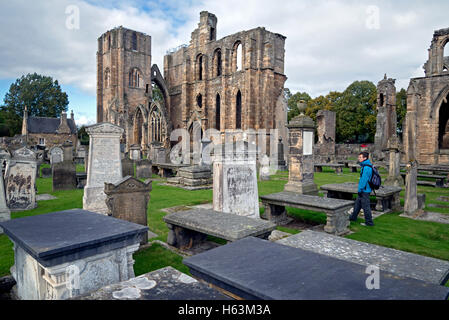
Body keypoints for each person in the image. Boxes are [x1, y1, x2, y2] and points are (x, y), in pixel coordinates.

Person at [349, 152, 374, 226]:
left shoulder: (366, 167)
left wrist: (360, 190)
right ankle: (353, 217)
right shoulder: (366, 166)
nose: (358, 158)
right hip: (365, 189)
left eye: (360, 157)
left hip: (364, 190)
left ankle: (369, 222)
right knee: (357, 204)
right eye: (359, 157)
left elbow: (363, 180)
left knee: (366, 207)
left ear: (365, 158)